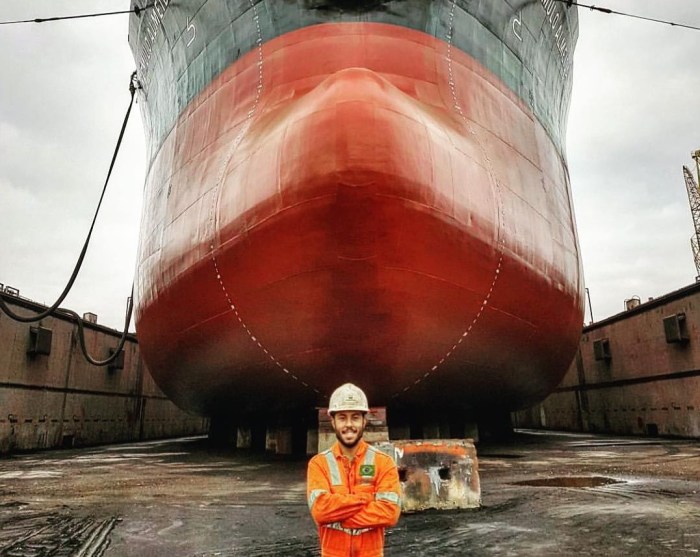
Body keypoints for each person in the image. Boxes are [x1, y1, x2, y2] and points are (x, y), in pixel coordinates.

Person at [307, 383, 401, 557]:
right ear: (333, 422)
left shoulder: (384, 463)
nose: (349, 424)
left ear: (364, 421)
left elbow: (390, 513)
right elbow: (320, 511)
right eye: (342, 417)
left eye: (355, 417)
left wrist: (340, 516)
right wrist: (365, 499)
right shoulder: (318, 464)